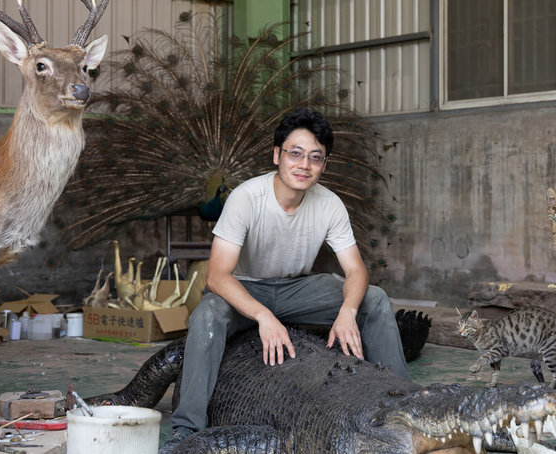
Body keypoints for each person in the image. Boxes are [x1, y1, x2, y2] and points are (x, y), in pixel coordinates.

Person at [160, 108, 409, 453]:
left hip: (297, 289)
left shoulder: (330, 205)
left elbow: (356, 271)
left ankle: (406, 404)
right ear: (277, 155)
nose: (304, 165)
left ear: (324, 165)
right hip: (246, 287)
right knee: (207, 315)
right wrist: (263, 316)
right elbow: (217, 275)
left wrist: (348, 310)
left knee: (374, 299)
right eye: (295, 153)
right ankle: (187, 428)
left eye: (315, 158)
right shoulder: (246, 198)